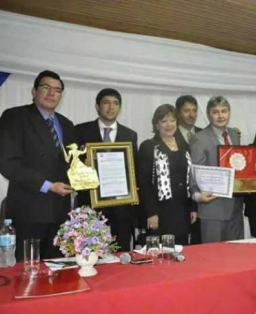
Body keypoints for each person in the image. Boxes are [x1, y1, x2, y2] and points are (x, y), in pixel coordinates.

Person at [0, 70, 75, 260]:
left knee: (57, 272)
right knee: (26, 273)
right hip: (28, 210)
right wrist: (48, 186)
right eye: (46, 87)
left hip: (60, 212)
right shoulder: (15, 116)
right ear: (34, 92)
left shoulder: (67, 124)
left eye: (57, 90)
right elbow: (7, 164)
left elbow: (73, 163)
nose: (52, 93)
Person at [75, 88, 138, 251]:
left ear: (120, 108)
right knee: (88, 253)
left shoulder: (130, 135)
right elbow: (71, 167)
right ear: (97, 106)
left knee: (121, 253)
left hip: (121, 206)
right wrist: (83, 167)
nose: (111, 107)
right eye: (106, 103)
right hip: (89, 203)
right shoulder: (80, 131)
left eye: (116, 103)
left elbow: (134, 168)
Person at [138, 104, 196, 245]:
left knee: (182, 252)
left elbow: (192, 178)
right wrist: (151, 213)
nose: (169, 125)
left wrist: (193, 207)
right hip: (160, 211)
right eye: (164, 121)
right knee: (160, 254)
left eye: (172, 120)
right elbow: (144, 184)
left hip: (182, 209)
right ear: (156, 125)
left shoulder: (185, 146)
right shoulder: (149, 146)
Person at [190, 96, 243, 243]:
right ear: (208, 114)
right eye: (215, 112)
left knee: (236, 255)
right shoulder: (199, 138)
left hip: (236, 208)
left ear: (229, 113)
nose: (220, 116)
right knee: (214, 257)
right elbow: (194, 171)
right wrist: (196, 196)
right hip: (213, 208)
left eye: (224, 111)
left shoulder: (234, 135)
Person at [174, 95, 202, 245]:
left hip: (201, 198)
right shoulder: (169, 135)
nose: (191, 115)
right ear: (178, 113)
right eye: (186, 111)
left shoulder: (205, 133)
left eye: (194, 111)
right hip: (180, 199)